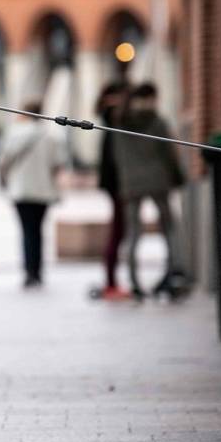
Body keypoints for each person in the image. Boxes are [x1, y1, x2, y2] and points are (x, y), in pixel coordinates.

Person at [112, 82, 186, 301]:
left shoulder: (120, 121)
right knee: (169, 228)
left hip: (131, 182)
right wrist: (177, 177)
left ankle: (134, 282)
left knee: (134, 233)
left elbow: (116, 156)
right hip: (158, 180)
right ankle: (172, 276)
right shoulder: (157, 121)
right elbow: (169, 153)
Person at [0, 102, 68, 288]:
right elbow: (58, 164)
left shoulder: (14, 133)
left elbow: (3, 161)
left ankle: (29, 272)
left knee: (27, 231)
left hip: (21, 190)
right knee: (38, 231)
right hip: (43, 191)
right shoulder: (51, 135)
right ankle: (38, 271)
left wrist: (3, 181)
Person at [89, 82, 131, 301]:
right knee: (118, 230)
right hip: (118, 181)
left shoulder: (109, 117)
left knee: (119, 229)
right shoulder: (115, 118)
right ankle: (111, 283)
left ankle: (112, 281)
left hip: (113, 180)